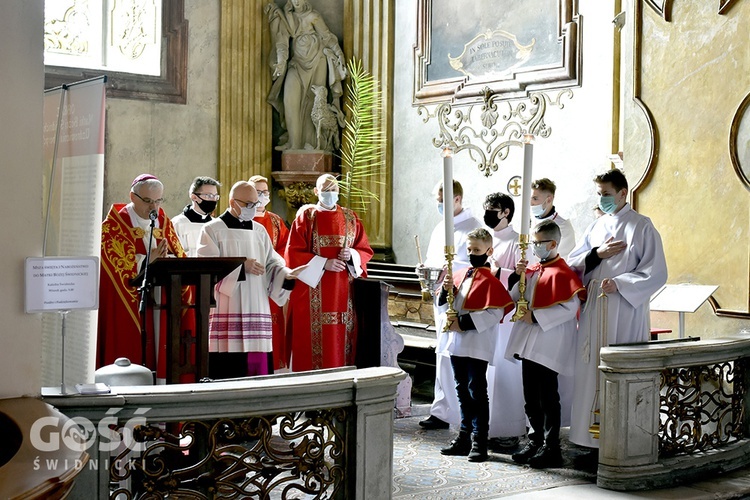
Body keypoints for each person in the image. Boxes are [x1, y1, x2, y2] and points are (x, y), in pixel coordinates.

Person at [566, 168, 668, 450]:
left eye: (607, 194)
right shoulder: (596, 226)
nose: (602, 200)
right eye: (599, 194)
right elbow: (573, 263)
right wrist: (595, 255)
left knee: (619, 367)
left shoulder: (642, 226)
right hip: (595, 306)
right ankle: (585, 437)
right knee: (590, 367)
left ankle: (621, 436)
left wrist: (622, 284)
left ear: (623, 193)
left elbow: (656, 272)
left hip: (623, 309)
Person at [196, 181, 303, 379]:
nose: (253, 209)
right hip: (228, 307)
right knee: (229, 371)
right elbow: (205, 268)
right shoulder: (212, 230)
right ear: (232, 202)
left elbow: (272, 262)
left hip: (257, 306)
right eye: (248, 204)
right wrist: (240, 267)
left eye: (255, 204)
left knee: (258, 370)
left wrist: (285, 275)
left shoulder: (259, 231)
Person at [505, 220, 586, 468]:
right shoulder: (533, 269)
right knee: (530, 396)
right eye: (533, 242)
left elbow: (570, 307)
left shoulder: (563, 273)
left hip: (549, 342)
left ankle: (552, 448)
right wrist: (518, 276)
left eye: (538, 243)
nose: (535, 247)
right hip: (529, 342)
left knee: (548, 397)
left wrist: (537, 316)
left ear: (552, 243)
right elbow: (516, 297)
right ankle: (535, 440)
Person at [98, 174, 190, 380]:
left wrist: (170, 260)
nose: (154, 208)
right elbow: (113, 269)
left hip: (162, 298)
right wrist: (147, 260)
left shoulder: (164, 221)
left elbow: (178, 253)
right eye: (148, 201)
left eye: (158, 201)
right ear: (133, 196)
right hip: (133, 301)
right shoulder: (114, 226)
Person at [437, 228, 514, 462]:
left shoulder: (491, 282)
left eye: (477, 250)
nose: (472, 254)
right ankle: (464, 436)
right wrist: (445, 291)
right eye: (469, 249)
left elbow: (495, 312)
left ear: (489, 251)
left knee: (476, 390)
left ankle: (480, 441)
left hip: (477, 343)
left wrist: (463, 323)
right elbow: (447, 304)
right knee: (461, 390)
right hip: (457, 342)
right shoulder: (460, 274)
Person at [284, 173, 373, 371]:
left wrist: (352, 255)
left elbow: (365, 250)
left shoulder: (351, 218)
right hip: (313, 291)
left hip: (344, 289)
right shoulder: (306, 217)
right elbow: (293, 253)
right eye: (325, 190)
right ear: (316, 191)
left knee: (341, 343)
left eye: (333, 189)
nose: (330, 193)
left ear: (339, 191)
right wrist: (324, 263)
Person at [418, 180, 484, 431]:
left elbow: (476, 263)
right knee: (442, 352)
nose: (438, 204)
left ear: (457, 199)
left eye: (441, 199)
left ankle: (463, 411)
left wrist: (448, 269)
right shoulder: (439, 228)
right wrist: (425, 269)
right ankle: (441, 409)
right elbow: (432, 260)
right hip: (440, 297)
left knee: (458, 354)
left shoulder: (474, 227)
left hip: (461, 298)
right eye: (437, 199)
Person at [265, 0, 347, 151]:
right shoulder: (287, 18)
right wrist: (281, 63)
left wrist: (339, 54)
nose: (296, 1)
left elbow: (327, 37)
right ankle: (294, 142)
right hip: (296, 63)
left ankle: (313, 144)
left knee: (314, 103)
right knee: (290, 99)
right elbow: (281, 42)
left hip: (317, 62)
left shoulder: (313, 16)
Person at [482, 193, 527, 452]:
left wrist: (501, 272)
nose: (488, 213)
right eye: (486, 208)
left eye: (493, 209)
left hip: (507, 315)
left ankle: (508, 429)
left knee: (506, 373)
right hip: (485, 314)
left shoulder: (518, 242)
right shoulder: (485, 239)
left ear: (506, 212)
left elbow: (527, 277)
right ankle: (484, 425)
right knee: (487, 373)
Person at [248, 174, 291, 370]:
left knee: (273, 324)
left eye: (265, 192)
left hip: (271, 279)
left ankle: (274, 365)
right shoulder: (240, 219)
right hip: (248, 279)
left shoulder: (275, 221)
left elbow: (285, 248)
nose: (263, 196)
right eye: (258, 192)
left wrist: (275, 266)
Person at [171, 176, 221, 257]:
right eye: (209, 196)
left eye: (215, 196)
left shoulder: (216, 224)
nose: (213, 200)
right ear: (194, 197)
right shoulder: (178, 223)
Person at [529, 178, 576, 259]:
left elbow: (564, 259)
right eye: (529, 198)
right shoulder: (530, 220)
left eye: (535, 198)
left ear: (549, 199)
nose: (530, 203)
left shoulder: (563, 226)